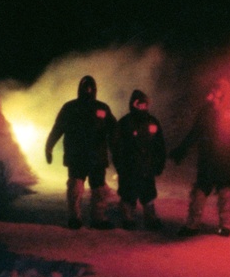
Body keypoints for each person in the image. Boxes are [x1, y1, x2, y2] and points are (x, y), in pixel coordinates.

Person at [170, 77, 230, 236]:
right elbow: (195, 132)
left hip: (226, 159)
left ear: (225, 93)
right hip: (208, 158)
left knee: (225, 193)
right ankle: (192, 225)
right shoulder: (206, 111)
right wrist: (182, 150)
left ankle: (226, 225)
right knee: (200, 191)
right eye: (213, 88)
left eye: (217, 89)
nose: (213, 92)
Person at [44, 74, 116, 229]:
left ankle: (99, 218)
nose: (88, 90)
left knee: (99, 189)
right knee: (75, 189)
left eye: (91, 87)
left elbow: (114, 130)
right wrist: (48, 147)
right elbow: (58, 128)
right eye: (85, 87)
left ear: (95, 89)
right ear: (80, 89)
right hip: (77, 156)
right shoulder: (70, 108)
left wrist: (119, 148)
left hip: (97, 157)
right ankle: (74, 218)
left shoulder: (102, 108)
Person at [111, 89, 166, 231]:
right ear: (133, 104)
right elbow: (116, 146)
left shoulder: (152, 122)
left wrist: (160, 163)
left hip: (147, 167)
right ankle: (127, 217)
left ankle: (150, 218)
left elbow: (160, 145)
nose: (142, 107)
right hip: (129, 167)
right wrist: (119, 165)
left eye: (144, 104)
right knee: (128, 194)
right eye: (139, 104)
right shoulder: (125, 123)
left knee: (148, 194)